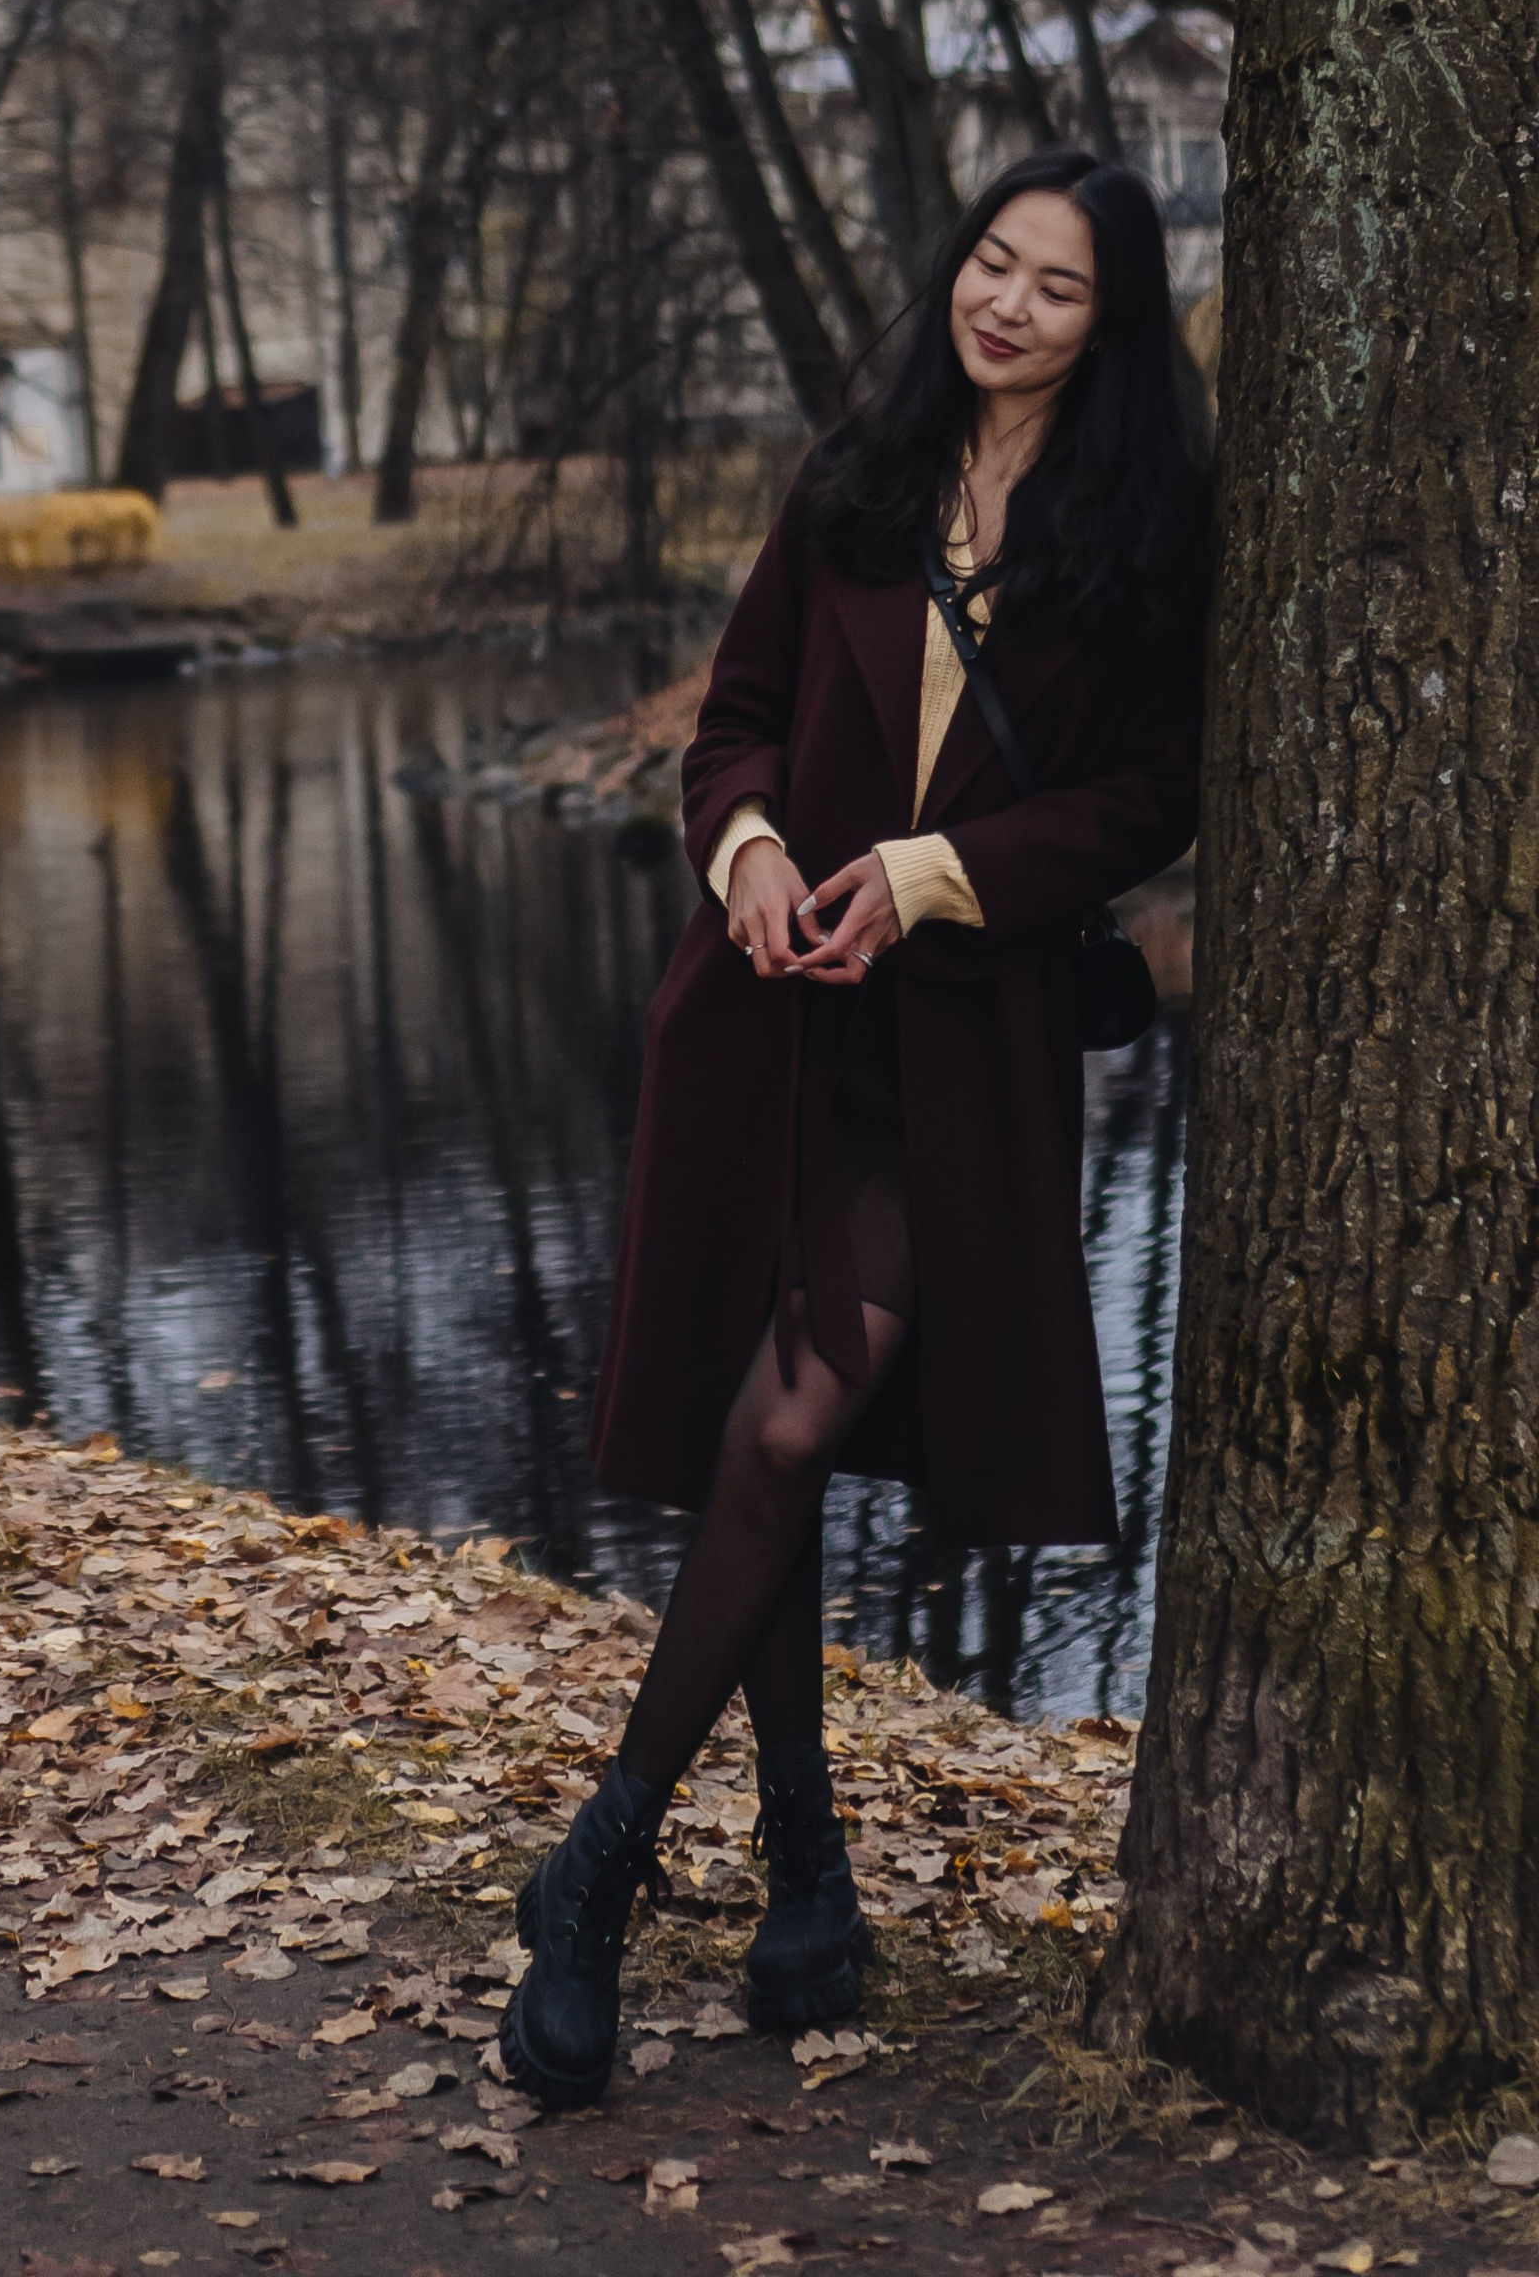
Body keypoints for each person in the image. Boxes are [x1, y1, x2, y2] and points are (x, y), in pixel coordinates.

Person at [498, 147, 1212, 2112]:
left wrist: (927, 873)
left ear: (1108, 321)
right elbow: (725, 723)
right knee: (763, 1437)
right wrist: (741, 852)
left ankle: (601, 1866)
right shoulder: (854, 482)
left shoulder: (1142, 527)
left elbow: (1148, 798)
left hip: (954, 1066)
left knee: (796, 1420)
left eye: (1055, 287)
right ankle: (801, 1872)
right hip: (765, 1037)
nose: (1004, 304)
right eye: (990, 261)